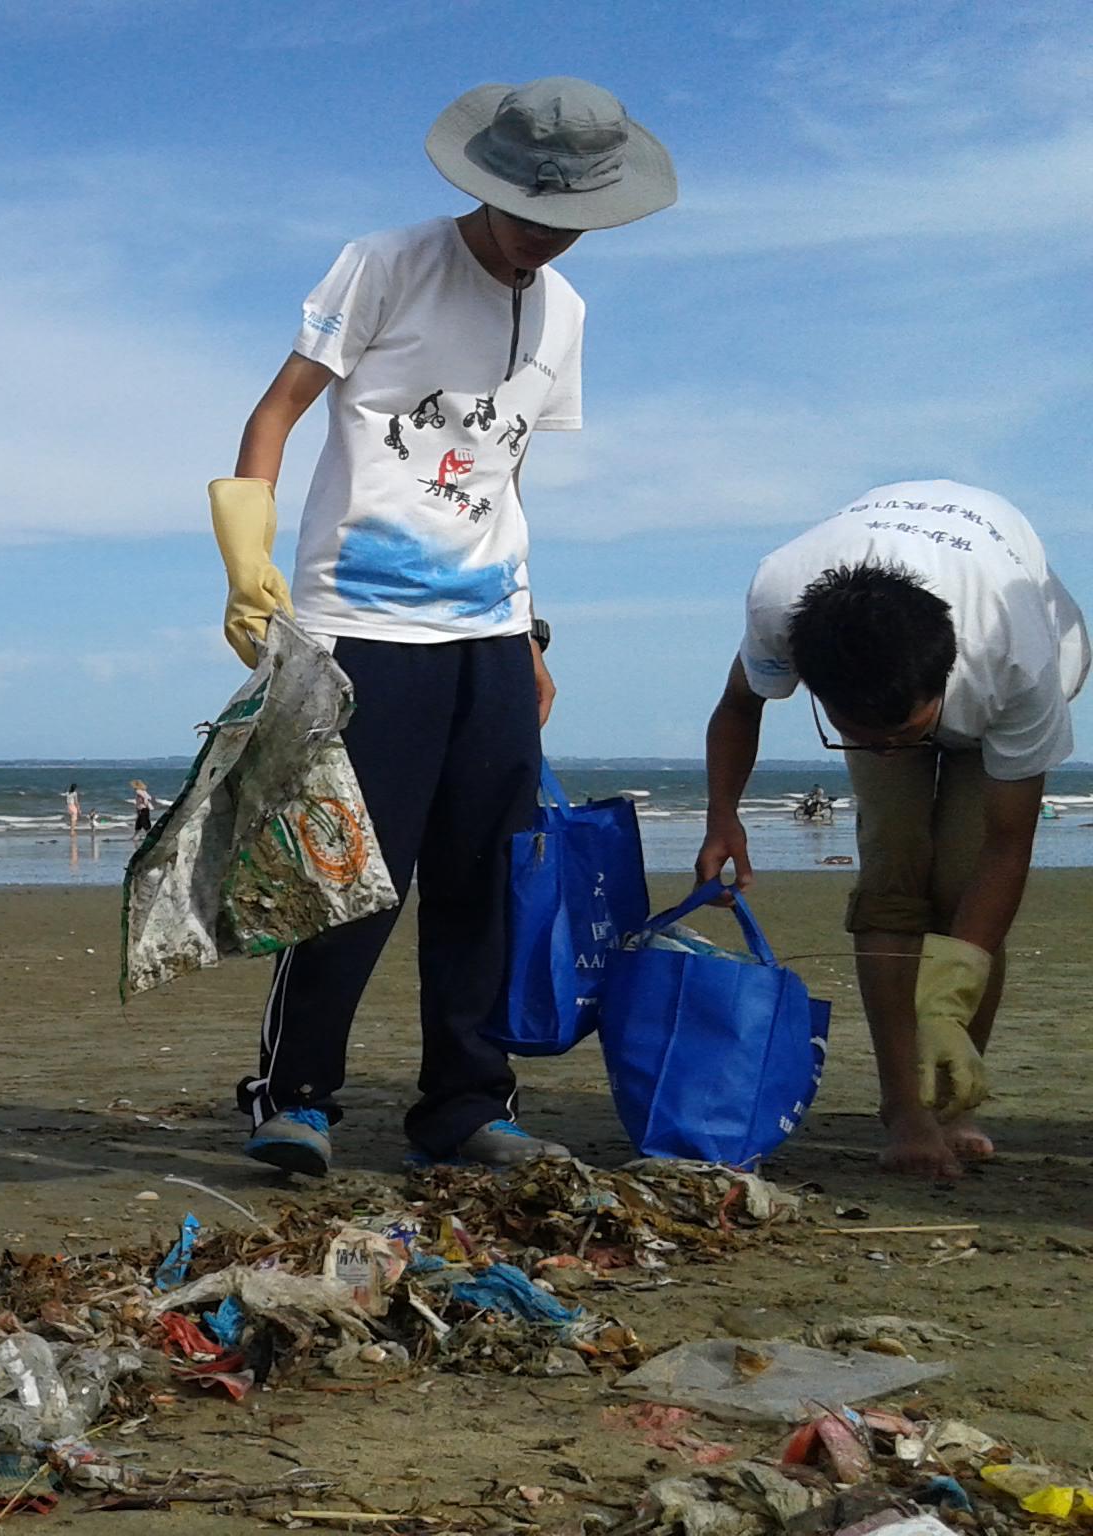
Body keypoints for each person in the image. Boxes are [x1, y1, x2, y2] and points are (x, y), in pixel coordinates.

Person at [214, 78, 676, 1175]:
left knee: (485, 875)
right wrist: (246, 556)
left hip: (488, 633)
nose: (543, 246)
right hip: (360, 619)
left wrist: (527, 633)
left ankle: (464, 1104)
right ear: (485, 185)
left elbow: (506, 472)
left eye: (568, 229)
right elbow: (276, 409)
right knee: (346, 873)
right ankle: (293, 1096)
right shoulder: (384, 263)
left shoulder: (562, 310)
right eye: (528, 221)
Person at [697, 481, 1086, 1181]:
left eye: (901, 733)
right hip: (882, 646)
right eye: (856, 735)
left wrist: (947, 1001)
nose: (880, 752)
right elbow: (737, 706)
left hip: (1002, 652)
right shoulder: (782, 603)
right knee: (892, 876)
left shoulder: (1023, 663)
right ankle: (903, 1107)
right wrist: (722, 816)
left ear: (945, 684)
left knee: (962, 887)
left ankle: (952, 1097)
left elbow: (1008, 846)